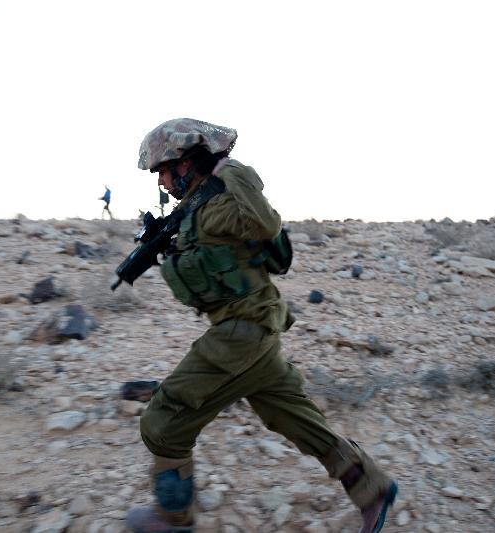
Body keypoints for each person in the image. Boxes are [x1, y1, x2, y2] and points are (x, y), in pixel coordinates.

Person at [125, 118, 398, 533]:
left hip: (241, 334)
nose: (161, 180)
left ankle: (172, 518)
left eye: (164, 169)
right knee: (294, 419)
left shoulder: (225, 197)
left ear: (188, 161)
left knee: (162, 423)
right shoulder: (199, 209)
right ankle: (371, 488)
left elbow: (265, 223)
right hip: (258, 333)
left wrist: (225, 169)